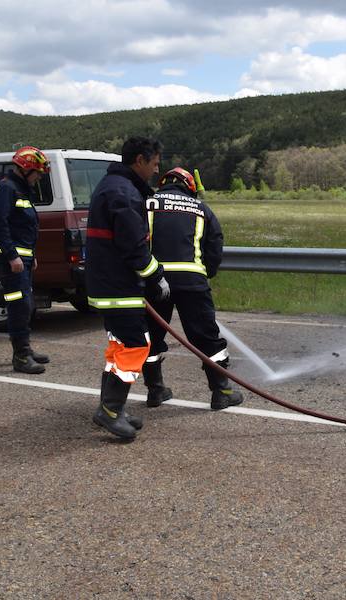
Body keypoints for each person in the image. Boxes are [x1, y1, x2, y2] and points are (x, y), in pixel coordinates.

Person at [86, 137, 170, 440]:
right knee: (135, 346)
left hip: (111, 284)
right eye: (155, 163)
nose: (156, 169)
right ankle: (109, 411)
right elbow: (133, 244)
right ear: (139, 160)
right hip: (118, 286)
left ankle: (113, 408)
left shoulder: (114, 186)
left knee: (120, 348)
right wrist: (155, 275)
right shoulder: (123, 192)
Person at [141, 167, 244, 410]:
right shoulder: (201, 209)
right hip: (192, 283)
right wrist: (207, 272)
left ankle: (155, 391)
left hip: (155, 281)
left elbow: (135, 240)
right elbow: (214, 245)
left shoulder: (147, 205)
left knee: (152, 338)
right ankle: (221, 392)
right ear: (189, 186)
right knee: (206, 338)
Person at [0, 146, 51, 374]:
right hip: (9, 260)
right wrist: (12, 256)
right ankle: (21, 356)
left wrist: (30, 256)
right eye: (38, 173)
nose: (39, 178)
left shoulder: (20, 189)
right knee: (19, 304)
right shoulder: (6, 189)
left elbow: (24, 227)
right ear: (25, 169)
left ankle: (25, 348)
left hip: (22, 259)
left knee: (27, 304)